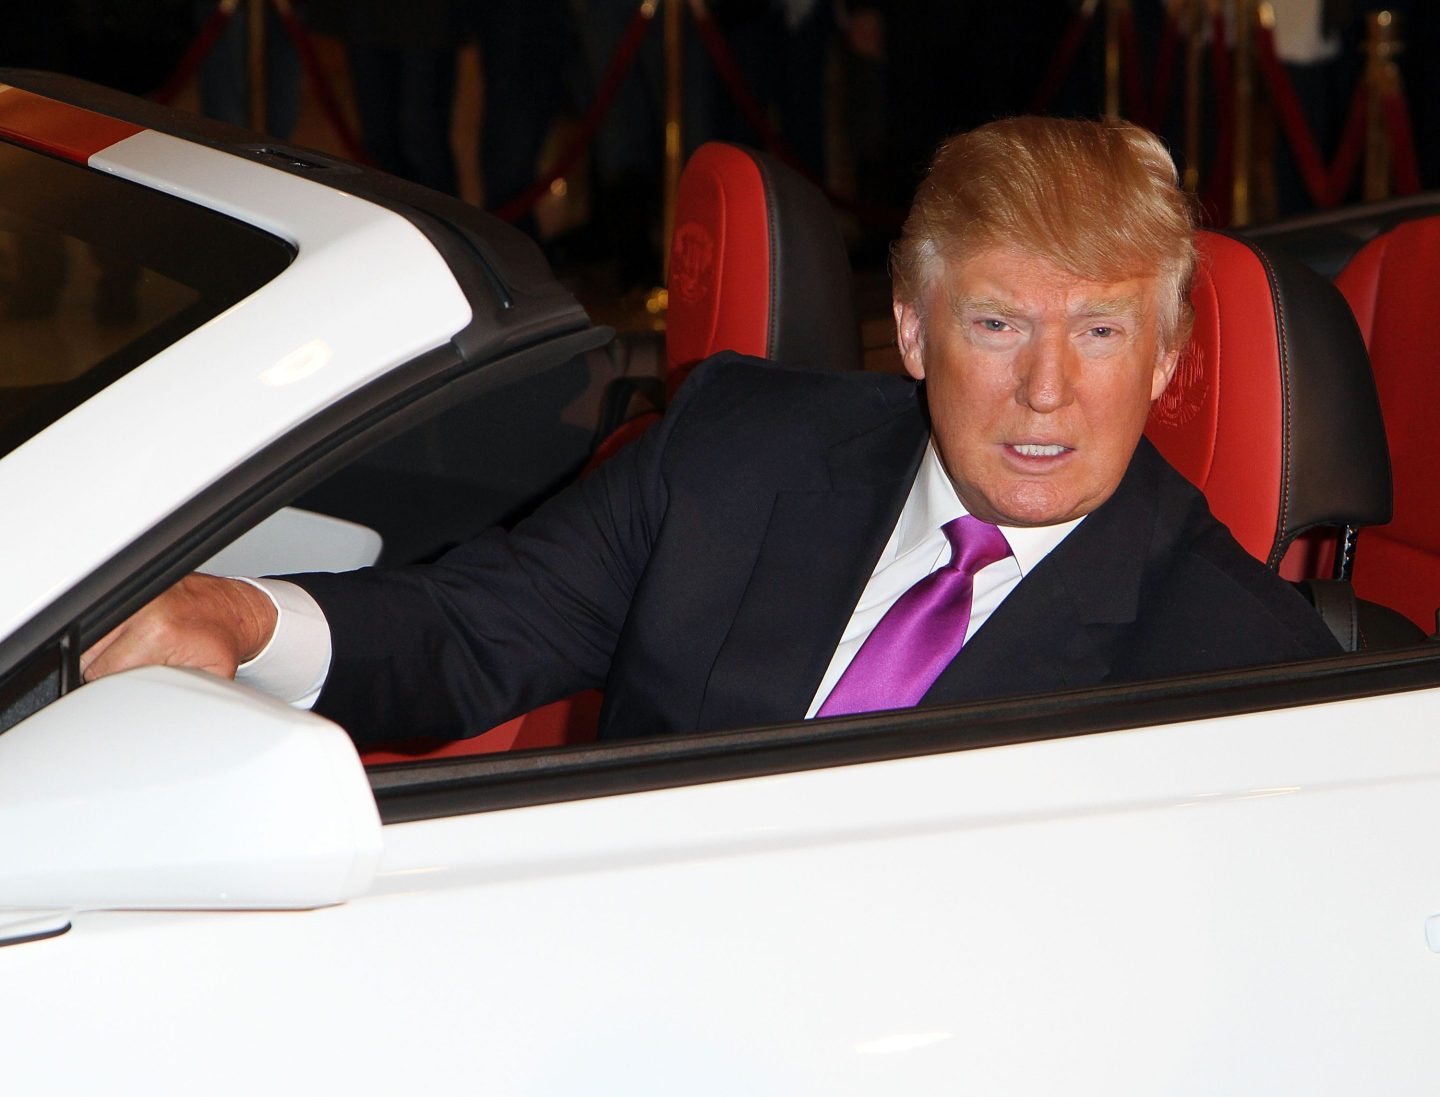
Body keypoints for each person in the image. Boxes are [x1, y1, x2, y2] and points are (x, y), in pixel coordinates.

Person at [81, 116, 1341, 747]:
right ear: (908, 329)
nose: (1049, 391)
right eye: (1000, 325)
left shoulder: (1242, 668)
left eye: (1106, 335)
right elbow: (474, 631)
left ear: (1170, 358)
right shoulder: (739, 447)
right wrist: (241, 619)